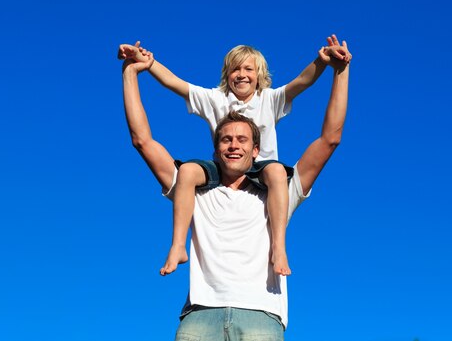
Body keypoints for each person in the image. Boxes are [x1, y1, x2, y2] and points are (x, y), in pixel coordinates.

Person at [121, 38, 351, 339]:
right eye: (226, 139)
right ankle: (178, 247)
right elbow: (143, 141)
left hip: (261, 315)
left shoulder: (276, 193)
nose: (233, 145)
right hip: (200, 315)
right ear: (215, 150)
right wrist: (131, 72)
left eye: (243, 140)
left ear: (256, 149)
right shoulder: (195, 192)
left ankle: (279, 249)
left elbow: (329, 140)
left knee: (277, 173)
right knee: (188, 170)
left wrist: (339, 70)